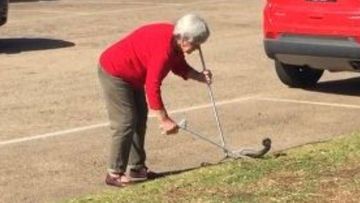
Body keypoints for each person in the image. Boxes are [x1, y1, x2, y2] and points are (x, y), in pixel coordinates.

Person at [97, 14, 212, 187]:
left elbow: (179, 65)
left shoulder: (175, 43)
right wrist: (164, 119)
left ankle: (136, 168)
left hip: (133, 76)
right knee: (125, 121)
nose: (196, 49)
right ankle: (114, 173)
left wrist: (199, 76)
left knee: (139, 118)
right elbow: (152, 86)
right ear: (184, 38)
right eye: (195, 44)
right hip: (115, 72)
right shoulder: (164, 49)